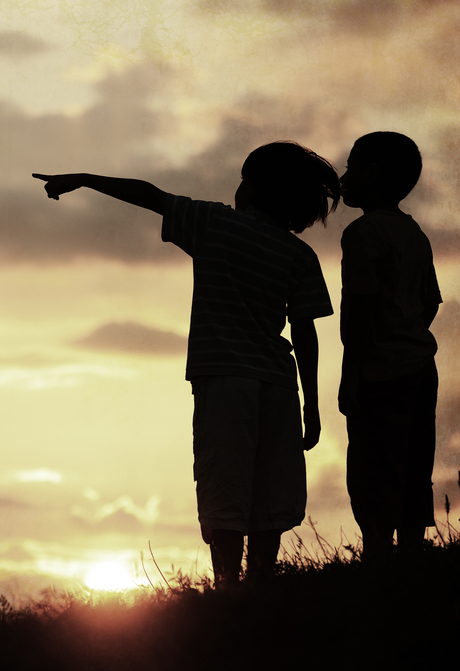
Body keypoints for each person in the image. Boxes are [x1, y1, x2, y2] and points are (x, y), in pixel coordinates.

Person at [33, 140, 339, 588]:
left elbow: (148, 194)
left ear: (255, 187)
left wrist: (83, 179)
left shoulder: (215, 223)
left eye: (243, 179)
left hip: (226, 381)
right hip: (277, 383)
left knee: (225, 485)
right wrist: (312, 406)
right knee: (271, 494)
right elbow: (305, 333)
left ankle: (228, 590)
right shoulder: (299, 255)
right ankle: (259, 588)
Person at [337, 131, 441, 564]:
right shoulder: (413, 232)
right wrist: (407, 334)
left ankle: (378, 554)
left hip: (380, 373)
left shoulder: (362, 233)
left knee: (372, 466)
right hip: (420, 366)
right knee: (416, 462)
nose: (343, 177)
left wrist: (351, 375)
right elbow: (430, 300)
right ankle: (413, 552)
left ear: (372, 174)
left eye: (352, 167)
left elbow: (358, 312)